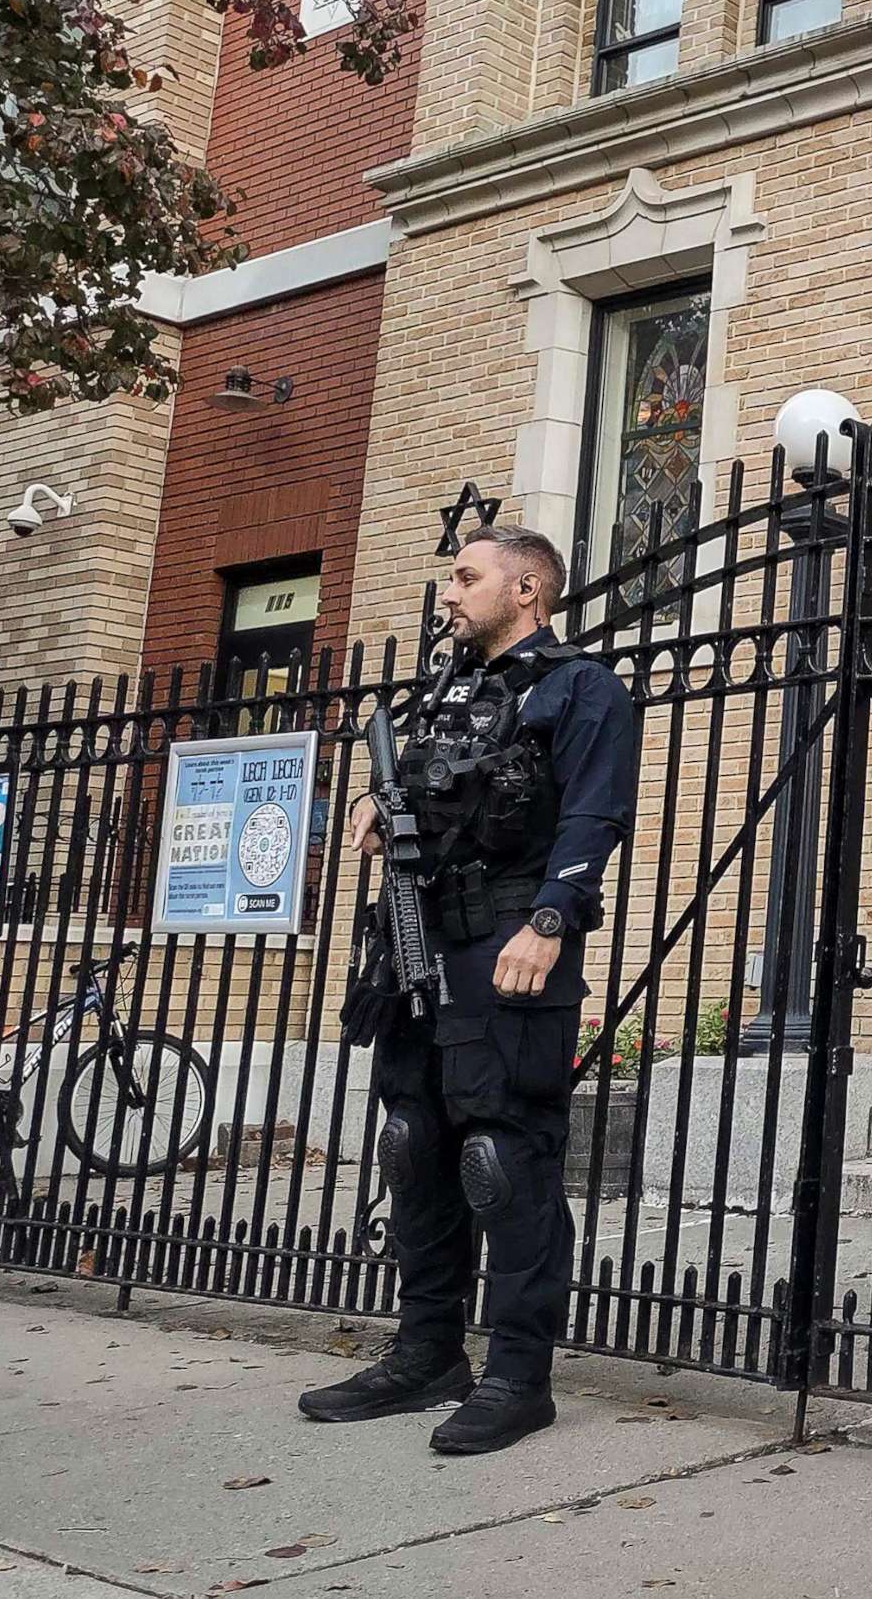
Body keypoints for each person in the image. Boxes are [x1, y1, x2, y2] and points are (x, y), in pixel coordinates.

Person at [299, 523, 635, 1454]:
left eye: (466, 577)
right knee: (413, 1141)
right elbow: (424, 801)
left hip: (512, 938)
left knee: (504, 1155)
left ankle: (519, 1377)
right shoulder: (447, 693)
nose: (449, 594)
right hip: (416, 939)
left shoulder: (581, 687)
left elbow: (597, 813)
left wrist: (551, 922)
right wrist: (374, 806)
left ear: (527, 590)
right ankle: (427, 1353)